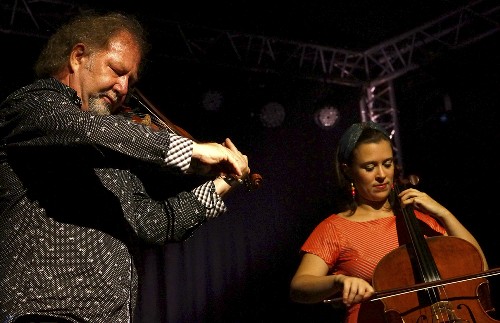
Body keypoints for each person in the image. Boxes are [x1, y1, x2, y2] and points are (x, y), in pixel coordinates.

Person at [0, 11, 250, 323]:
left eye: (130, 79)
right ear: (79, 57)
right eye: (117, 70)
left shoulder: (111, 156)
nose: (123, 87)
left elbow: (154, 224)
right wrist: (190, 149)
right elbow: (82, 129)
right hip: (42, 313)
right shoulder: (35, 104)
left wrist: (222, 184)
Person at [289, 121, 488, 322]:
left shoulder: (418, 219)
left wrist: (444, 213)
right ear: (348, 170)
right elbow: (299, 287)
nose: (382, 175)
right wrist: (339, 281)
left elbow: (478, 267)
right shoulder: (334, 229)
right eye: (369, 167)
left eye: (387, 163)